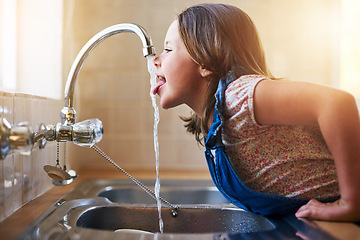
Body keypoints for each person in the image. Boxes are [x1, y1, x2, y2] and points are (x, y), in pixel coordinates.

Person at [151, 3, 360, 222]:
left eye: (168, 50)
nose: (156, 60)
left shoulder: (240, 96)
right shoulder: (217, 121)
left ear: (205, 62)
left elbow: (337, 103)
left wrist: (351, 202)